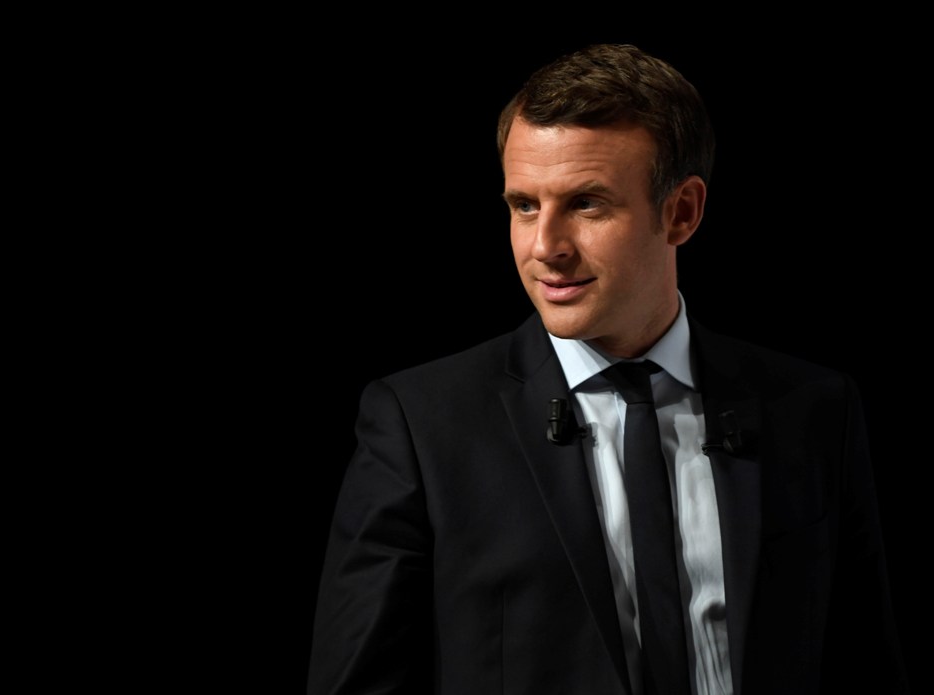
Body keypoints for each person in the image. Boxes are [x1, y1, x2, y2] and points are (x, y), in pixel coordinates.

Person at [306, 43, 908, 694]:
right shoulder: (419, 424)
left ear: (681, 212)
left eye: (587, 204)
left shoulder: (815, 409)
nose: (546, 248)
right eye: (524, 205)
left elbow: (863, 664)